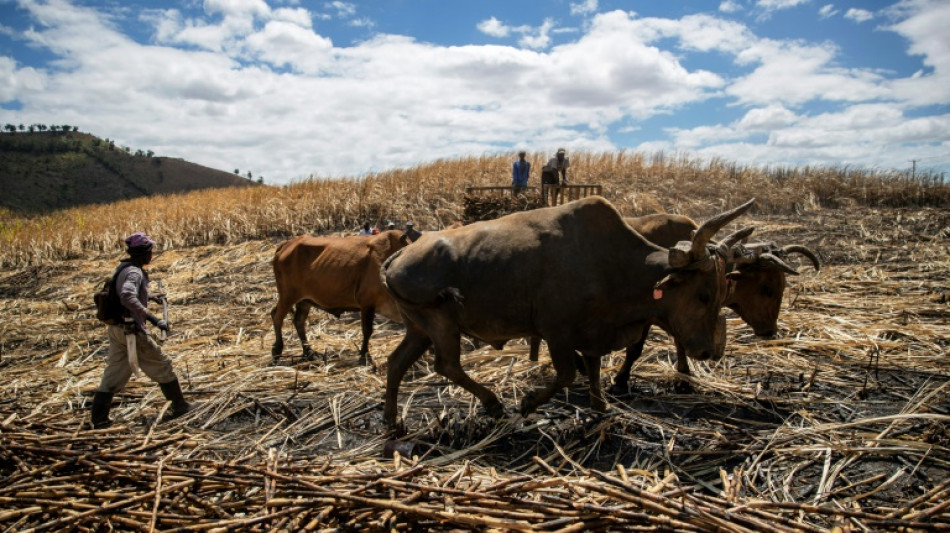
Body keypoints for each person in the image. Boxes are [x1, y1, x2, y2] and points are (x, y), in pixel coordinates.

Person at [89, 232, 191, 429]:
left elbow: (123, 293)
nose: (151, 255)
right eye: (150, 251)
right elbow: (127, 296)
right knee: (163, 366)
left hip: (117, 330)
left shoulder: (124, 268)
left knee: (113, 374)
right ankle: (180, 406)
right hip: (132, 332)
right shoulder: (135, 272)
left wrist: (149, 295)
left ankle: (98, 419)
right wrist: (153, 319)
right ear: (144, 254)